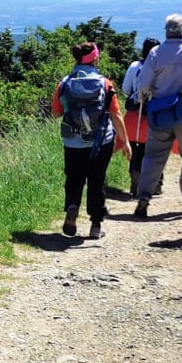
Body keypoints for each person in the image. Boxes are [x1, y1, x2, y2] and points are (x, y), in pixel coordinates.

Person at [53, 42, 132, 239]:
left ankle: (72, 206)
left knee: (74, 178)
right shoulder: (105, 84)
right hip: (101, 141)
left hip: (73, 142)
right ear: (95, 59)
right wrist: (125, 142)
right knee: (97, 181)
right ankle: (96, 225)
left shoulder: (65, 83)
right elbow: (116, 115)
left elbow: (56, 112)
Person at [134, 14, 182, 218]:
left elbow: (143, 85)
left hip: (160, 113)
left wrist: (147, 98)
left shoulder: (155, 53)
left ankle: (144, 196)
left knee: (153, 157)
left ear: (166, 31)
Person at [121, 38, 161, 195]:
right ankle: (155, 182)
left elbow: (126, 89)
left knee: (135, 146)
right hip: (155, 112)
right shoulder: (161, 68)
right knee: (154, 148)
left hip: (134, 113)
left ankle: (135, 173)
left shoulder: (134, 66)